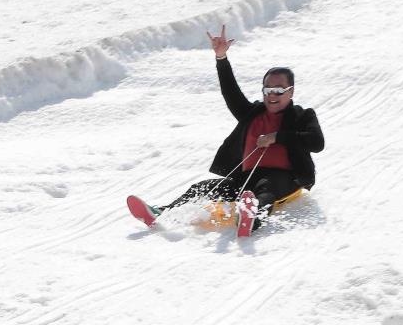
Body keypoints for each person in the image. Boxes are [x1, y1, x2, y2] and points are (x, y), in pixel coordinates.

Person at [127, 24, 325, 236]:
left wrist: (277, 137)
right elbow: (231, 93)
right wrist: (221, 58)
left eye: (278, 90)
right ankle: (161, 213)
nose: (272, 95)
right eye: (267, 89)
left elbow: (316, 142)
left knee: (265, 189)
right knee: (202, 188)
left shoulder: (302, 115)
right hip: (246, 178)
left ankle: (251, 219)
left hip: (284, 177)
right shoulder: (252, 113)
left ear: (291, 91)